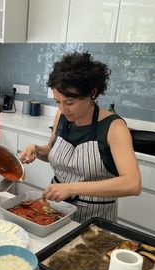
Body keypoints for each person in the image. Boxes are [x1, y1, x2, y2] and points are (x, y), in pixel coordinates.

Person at [20, 52, 141, 223]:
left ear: (92, 93)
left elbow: (132, 184)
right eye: (57, 102)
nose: (62, 109)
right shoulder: (61, 117)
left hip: (95, 219)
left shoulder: (114, 127)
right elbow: (52, 153)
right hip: (56, 211)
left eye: (69, 103)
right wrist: (37, 150)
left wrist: (71, 188)